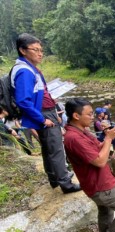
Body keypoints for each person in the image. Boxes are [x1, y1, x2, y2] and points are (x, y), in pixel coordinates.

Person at [11, 33, 79, 193]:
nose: (40, 53)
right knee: (55, 148)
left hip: (46, 111)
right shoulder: (24, 71)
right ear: (23, 50)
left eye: (41, 50)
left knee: (48, 148)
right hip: (42, 113)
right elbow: (23, 100)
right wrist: (42, 119)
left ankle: (55, 179)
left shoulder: (28, 68)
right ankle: (66, 183)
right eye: (35, 50)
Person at [64, 98, 115, 232]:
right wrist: (108, 138)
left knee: (106, 210)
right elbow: (100, 161)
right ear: (76, 116)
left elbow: (98, 148)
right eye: (89, 114)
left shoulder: (82, 131)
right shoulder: (73, 138)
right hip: (100, 185)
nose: (93, 117)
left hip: (98, 182)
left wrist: (109, 137)